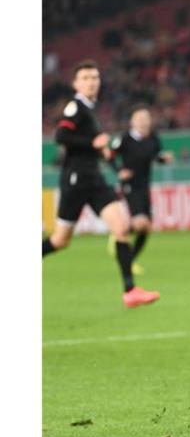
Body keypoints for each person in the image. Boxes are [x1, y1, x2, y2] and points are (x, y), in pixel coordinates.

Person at [42, 60, 160, 308]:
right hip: (76, 181)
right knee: (61, 240)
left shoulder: (89, 110)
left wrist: (102, 153)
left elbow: (88, 144)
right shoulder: (76, 107)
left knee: (121, 228)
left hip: (94, 179)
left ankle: (130, 291)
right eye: (85, 78)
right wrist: (92, 144)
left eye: (94, 77)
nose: (91, 82)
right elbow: (61, 136)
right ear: (76, 83)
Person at [108, 105, 174, 274]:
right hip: (130, 185)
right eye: (140, 119)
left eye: (146, 119)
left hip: (144, 185)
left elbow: (155, 156)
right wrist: (118, 171)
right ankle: (120, 235)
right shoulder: (124, 139)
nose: (144, 122)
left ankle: (129, 258)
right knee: (141, 223)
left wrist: (163, 159)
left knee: (146, 227)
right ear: (132, 122)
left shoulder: (153, 138)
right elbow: (109, 156)